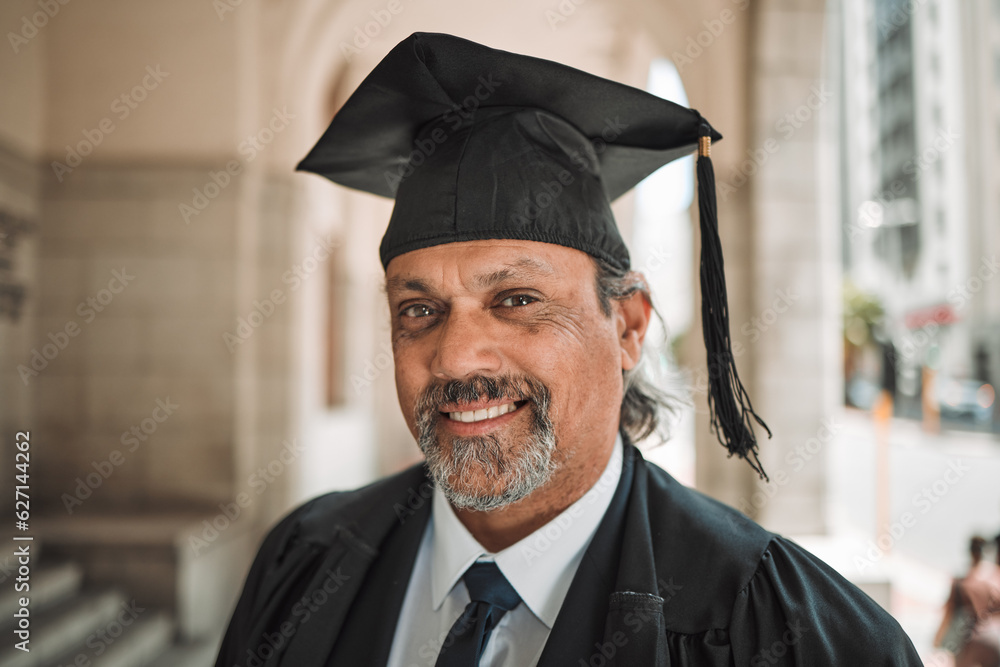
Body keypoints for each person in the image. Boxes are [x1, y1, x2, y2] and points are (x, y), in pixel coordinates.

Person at [215, 33, 920, 666]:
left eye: (516, 300)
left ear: (629, 326)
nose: (458, 358)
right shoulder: (303, 563)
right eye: (419, 310)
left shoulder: (786, 633)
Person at [935, 536, 1000, 667]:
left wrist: (938, 637)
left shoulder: (961, 582)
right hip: (992, 640)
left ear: (970, 552)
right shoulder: (993, 579)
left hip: (966, 641)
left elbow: (949, 612)